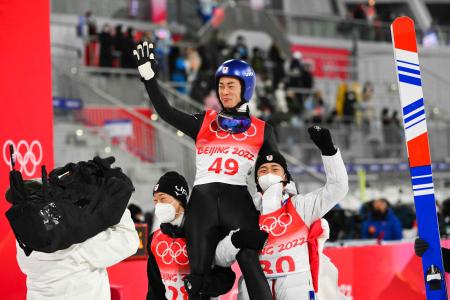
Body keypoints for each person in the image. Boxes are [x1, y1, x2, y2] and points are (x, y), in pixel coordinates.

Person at [133, 41, 277, 299]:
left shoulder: (262, 129)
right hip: (203, 205)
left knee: (249, 260)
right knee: (197, 276)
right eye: (221, 85)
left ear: (246, 88)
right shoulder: (205, 121)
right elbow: (167, 112)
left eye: (231, 85)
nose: (224, 91)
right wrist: (150, 79)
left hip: (238, 202)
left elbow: (278, 172)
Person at [216, 125, 349, 299]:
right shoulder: (246, 212)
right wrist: (235, 240)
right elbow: (219, 259)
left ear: (285, 176)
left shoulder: (301, 206)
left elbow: (338, 188)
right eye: (263, 170)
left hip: (296, 287)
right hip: (254, 289)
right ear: (256, 179)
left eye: (275, 169)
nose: (268, 174)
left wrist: (329, 151)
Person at [6, 157, 139, 300]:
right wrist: (115, 203)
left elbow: (54, 220)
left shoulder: (27, 237)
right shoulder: (80, 243)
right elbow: (129, 242)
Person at [147, 172, 268, 299]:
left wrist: (203, 285)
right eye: (155, 201)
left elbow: (226, 279)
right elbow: (155, 289)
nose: (158, 205)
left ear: (180, 199)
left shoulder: (204, 232)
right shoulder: (155, 239)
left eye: (163, 199)